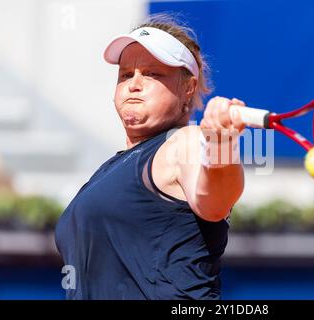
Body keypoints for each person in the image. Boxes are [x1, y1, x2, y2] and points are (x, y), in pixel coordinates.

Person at [54, 14, 245, 300]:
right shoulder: (111, 169)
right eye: (126, 75)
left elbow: (215, 202)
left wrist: (221, 144)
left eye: (153, 74)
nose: (134, 84)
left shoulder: (184, 142)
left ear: (188, 87)